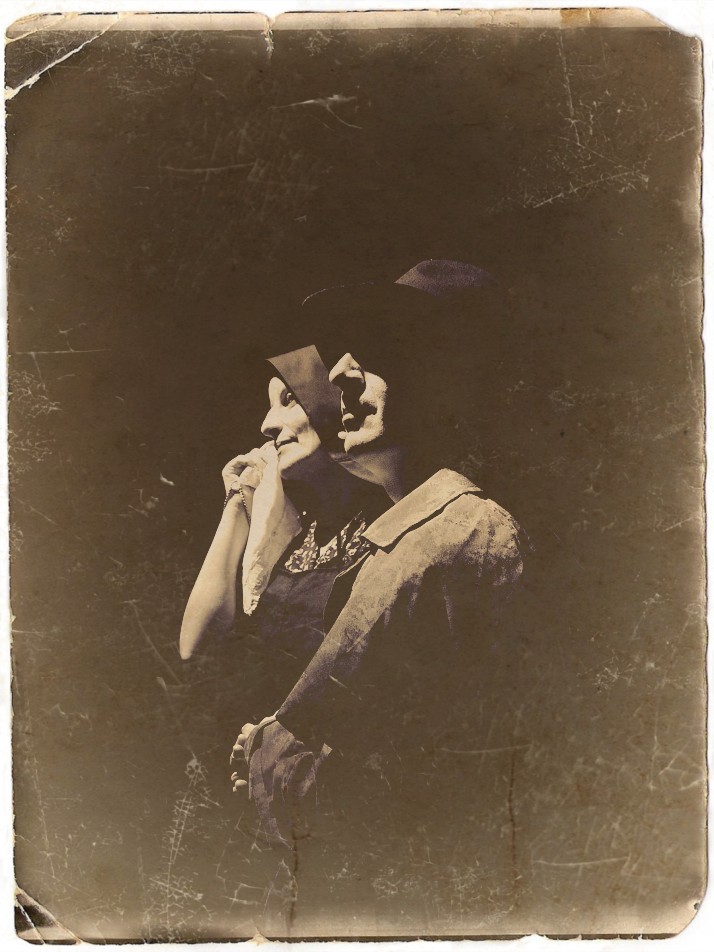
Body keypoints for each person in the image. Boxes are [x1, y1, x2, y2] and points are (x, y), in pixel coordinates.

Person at [232, 261, 530, 932]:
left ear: (449, 378)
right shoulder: (401, 534)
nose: (339, 374)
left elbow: (453, 776)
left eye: (381, 353)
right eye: (345, 353)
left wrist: (270, 758)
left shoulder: (468, 534)